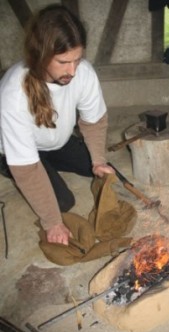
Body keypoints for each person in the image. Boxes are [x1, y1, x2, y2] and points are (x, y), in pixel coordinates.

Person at [0, 4, 114, 245]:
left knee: (104, 171)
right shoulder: (13, 92)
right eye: (63, 61)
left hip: (55, 142)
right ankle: (5, 165)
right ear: (41, 54)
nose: (72, 71)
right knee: (62, 204)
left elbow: (94, 122)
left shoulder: (83, 73)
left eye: (77, 59)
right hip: (19, 154)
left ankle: (50, 163)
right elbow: (27, 169)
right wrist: (52, 223)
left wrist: (98, 160)